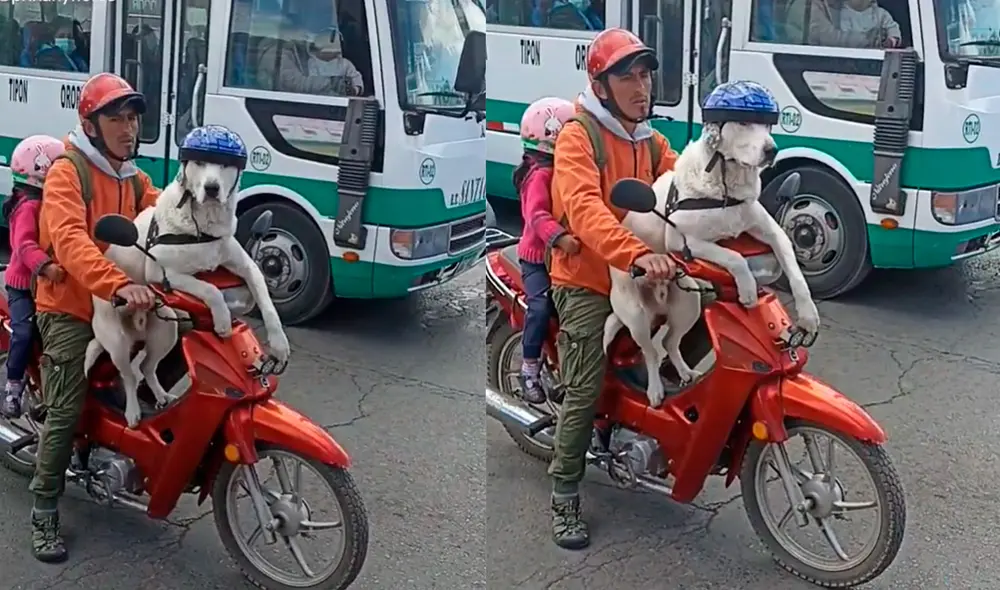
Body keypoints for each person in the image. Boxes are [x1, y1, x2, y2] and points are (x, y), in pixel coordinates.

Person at [546, 28, 679, 550]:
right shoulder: (579, 136)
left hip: (640, 274)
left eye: (645, 74)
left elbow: (684, 189)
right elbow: (583, 208)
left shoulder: (651, 140)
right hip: (587, 279)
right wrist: (636, 253)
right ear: (601, 86)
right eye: (627, 76)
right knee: (584, 386)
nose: (641, 86)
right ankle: (563, 495)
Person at [29, 72, 160, 563]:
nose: (127, 128)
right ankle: (44, 509)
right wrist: (119, 283)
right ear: (91, 124)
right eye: (115, 118)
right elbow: (70, 240)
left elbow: (165, 217)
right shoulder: (70, 171)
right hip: (71, 306)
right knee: (64, 409)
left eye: (132, 118)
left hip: (117, 302)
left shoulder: (133, 176)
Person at [514, 96, 580, 404]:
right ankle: (528, 367)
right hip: (537, 260)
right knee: (540, 308)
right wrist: (561, 238)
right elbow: (537, 216)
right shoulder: (540, 174)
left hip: (560, 260)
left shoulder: (566, 170)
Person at [0, 136, 68, 419]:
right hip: (23, 287)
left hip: (44, 286)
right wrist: (46, 266)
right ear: (41, 170)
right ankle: (13, 385)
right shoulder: (28, 206)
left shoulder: (51, 201)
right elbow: (24, 246)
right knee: (25, 332)